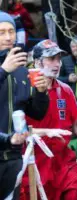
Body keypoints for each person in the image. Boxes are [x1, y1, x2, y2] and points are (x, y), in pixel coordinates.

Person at [20, 39, 77, 200]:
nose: (57, 64)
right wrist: (46, 132)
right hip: (34, 162)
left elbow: (76, 123)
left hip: (63, 161)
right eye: (51, 59)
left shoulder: (65, 90)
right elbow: (15, 129)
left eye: (58, 59)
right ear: (37, 62)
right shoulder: (23, 90)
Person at [0, 12, 49, 200]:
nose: (8, 37)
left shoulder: (22, 70)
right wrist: (4, 70)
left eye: (11, 31)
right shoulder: (9, 67)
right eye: (2, 32)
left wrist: (41, 92)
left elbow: (37, 113)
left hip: (13, 158)